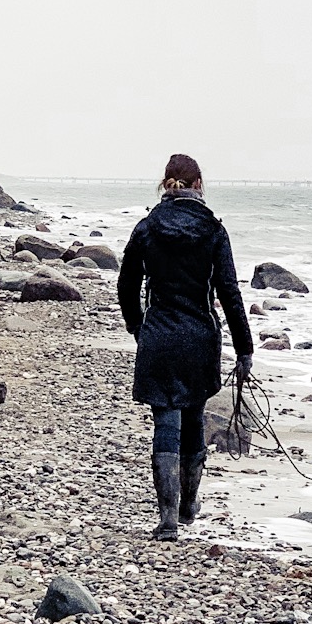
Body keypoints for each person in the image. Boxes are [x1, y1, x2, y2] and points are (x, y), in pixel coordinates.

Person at [117, 153, 254, 540]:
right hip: (199, 338)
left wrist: (137, 328)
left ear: (165, 185)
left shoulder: (147, 227)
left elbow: (126, 286)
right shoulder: (213, 230)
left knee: (166, 421)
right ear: (198, 186)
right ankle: (189, 503)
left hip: (158, 335)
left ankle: (167, 519)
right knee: (193, 417)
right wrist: (245, 349)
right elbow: (228, 291)